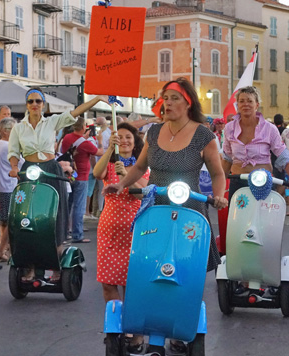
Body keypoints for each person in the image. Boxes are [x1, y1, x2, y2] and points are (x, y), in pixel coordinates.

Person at [103, 77, 227, 354]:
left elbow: (218, 173)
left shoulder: (204, 135)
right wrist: (121, 184)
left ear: (188, 102)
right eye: (165, 98)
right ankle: (146, 324)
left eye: (174, 98)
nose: (167, 103)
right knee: (149, 267)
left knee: (187, 270)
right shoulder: (155, 131)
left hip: (190, 209)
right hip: (156, 208)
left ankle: (183, 326)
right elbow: (138, 168)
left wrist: (219, 195)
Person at [8, 87, 109, 281]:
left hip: (50, 170)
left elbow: (75, 113)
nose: (35, 105)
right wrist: (14, 168)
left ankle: (56, 264)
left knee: (55, 214)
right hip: (29, 171)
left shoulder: (52, 122)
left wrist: (96, 98)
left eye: (38, 101)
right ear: (27, 105)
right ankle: (29, 266)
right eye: (31, 101)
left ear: (43, 105)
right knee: (27, 216)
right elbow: (13, 152)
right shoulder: (18, 128)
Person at [94, 123, 148, 354]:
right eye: (120, 137)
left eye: (128, 137)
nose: (124, 140)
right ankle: (115, 329)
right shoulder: (111, 163)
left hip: (135, 229)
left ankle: (136, 334)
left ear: (135, 142)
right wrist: (109, 149)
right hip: (109, 228)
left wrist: (127, 176)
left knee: (131, 284)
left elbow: (145, 191)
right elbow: (97, 173)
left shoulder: (141, 166)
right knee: (108, 282)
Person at [221, 87, 289, 198]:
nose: (246, 104)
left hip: (263, 183)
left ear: (257, 105)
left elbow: (283, 155)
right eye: (242, 101)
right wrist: (219, 188)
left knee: (263, 215)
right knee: (237, 215)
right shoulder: (229, 128)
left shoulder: (269, 128)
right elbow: (227, 158)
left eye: (250, 101)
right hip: (238, 182)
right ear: (237, 105)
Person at [61, 117, 104, 242]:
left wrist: (83, 138)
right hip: (82, 176)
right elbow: (99, 152)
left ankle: (64, 233)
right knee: (79, 206)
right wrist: (100, 141)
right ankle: (77, 234)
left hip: (69, 175)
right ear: (84, 127)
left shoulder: (67, 138)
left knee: (68, 206)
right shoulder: (85, 143)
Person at [0, 118, 21, 263]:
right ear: (5, 131)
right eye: (13, 130)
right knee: (11, 222)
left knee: (6, 221)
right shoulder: (7, 146)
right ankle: (2, 249)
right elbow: (21, 163)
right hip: (9, 186)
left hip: (5, 186)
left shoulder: (0, 145)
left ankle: (2, 249)